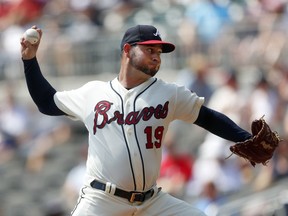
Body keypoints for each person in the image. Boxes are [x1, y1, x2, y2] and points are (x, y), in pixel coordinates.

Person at [20, 24, 252, 216]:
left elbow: (208, 118)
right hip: (102, 200)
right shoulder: (93, 93)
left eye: (159, 52)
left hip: (152, 202)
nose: (156, 57)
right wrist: (29, 61)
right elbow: (47, 102)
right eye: (150, 50)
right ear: (128, 50)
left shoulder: (169, 93)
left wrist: (246, 138)